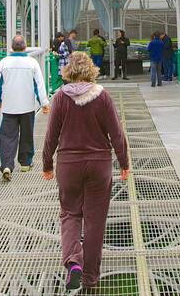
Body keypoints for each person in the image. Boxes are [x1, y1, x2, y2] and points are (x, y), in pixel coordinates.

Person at [42, 52, 130, 290]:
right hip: (99, 164)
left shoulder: (60, 97)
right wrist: (124, 163)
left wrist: (47, 164)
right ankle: (90, 278)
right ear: (91, 70)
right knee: (95, 221)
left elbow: (51, 135)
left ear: (68, 71)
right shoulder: (103, 96)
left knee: (70, 214)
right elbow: (116, 133)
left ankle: (74, 263)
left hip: (68, 164)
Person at [0, 35, 50, 181]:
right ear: (25, 47)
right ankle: (25, 163)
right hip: (27, 106)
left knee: (7, 137)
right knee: (26, 134)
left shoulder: (4, 63)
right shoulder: (32, 63)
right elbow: (39, 85)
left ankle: (7, 165)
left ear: (11, 47)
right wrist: (44, 103)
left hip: (9, 107)